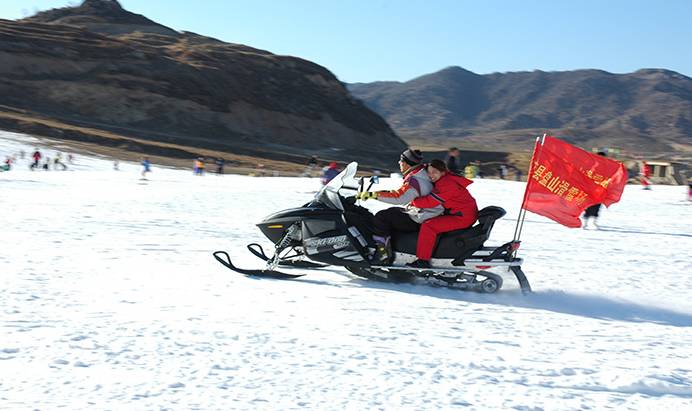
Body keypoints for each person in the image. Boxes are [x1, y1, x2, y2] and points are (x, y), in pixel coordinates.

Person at [356, 148, 438, 264]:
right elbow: (404, 193)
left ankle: (383, 253)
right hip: (425, 213)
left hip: (421, 217)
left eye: (401, 161)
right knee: (392, 212)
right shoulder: (421, 174)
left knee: (382, 217)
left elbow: (399, 198)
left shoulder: (415, 180)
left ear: (405, 163)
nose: (399, 163)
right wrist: (382, 193)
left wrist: (372, 195)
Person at [406, 159, 478, 268]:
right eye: (429, 172)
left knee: (429, 226)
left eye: (434, 172)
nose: (431, 175)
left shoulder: (446, 183)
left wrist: (413, 201)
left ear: (442, 172)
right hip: (461, 213)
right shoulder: (446, 179)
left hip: (461, 217)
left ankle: (423, 261)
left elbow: (431, 202)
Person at [582, 151, 607, 229]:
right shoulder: (592, 165)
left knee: (597, 206)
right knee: (588, 205)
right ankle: (585, 223)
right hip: (590, 188)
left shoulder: (606, 166)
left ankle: (594, 222)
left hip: (600, 189)